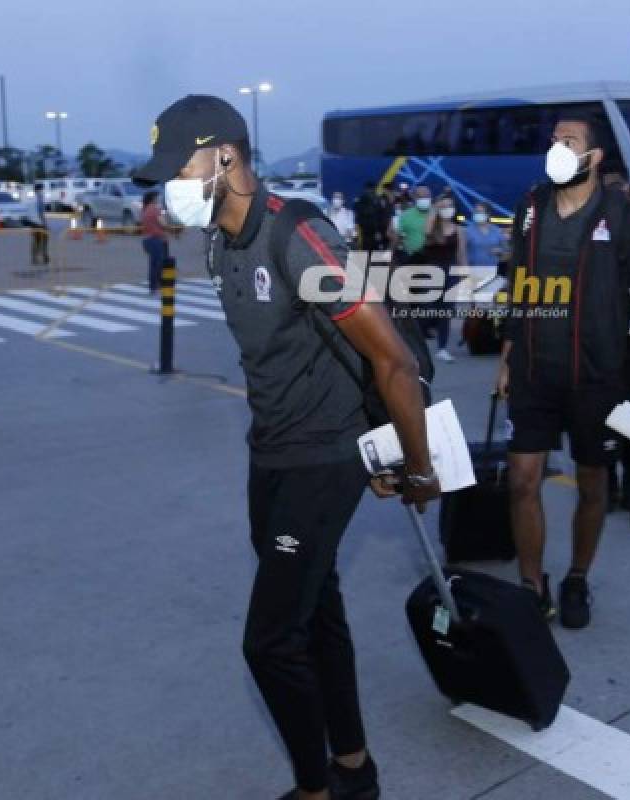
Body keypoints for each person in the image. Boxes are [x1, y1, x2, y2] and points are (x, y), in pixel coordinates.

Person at [133, 95, 439, 800]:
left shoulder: (298, 235)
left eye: (179, 166)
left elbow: (390, 358)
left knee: (268, 642)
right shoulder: (214, 236)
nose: (170, 187)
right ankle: (355, 770)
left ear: (227, 157)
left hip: (325, 456)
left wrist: (415, 465)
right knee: (315, 608)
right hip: (270, 450)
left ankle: (315, 790)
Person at [497, 111, 630, 629]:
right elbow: (519, 286)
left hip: (599, 377)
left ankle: (576, 578)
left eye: (569, 141)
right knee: (522, 481)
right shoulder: (530, 208)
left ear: (594, 156)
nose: (558, 147)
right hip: (534, 371)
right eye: (553, 140)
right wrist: (507, 354)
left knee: (593, 484)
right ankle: (532, 584)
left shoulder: (625, 217)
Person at [417, 196, 463, 362]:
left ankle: (442, 347)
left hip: (451, 273)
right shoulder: (432, 228)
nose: (447, 209)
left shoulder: (458, 230)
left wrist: (464, 274)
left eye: (449, 205)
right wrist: (435, 209)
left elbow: (461, 254)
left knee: (446, 311)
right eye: (444, 206)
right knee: (427, 309)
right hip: (432, 272)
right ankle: (416, 344)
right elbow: (427, 232)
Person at [395, 185, 432, 265]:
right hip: (411, 260)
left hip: (435, 260)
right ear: (414, 198)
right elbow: (397, 238)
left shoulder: (438, 213)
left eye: (426, 196)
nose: (424, 199)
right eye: (420, 196)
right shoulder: (405, 216)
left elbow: (461, 219)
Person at [140, 191, 169, 293]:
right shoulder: (155, 209)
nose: (159, 199)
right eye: (157, 197)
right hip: (156, 240)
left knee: (153, 263)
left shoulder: (145, 209)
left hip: (147, 240)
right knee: (158, 264)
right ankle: (155, 285)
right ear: (153, 199)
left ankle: (153, 285)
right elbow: (163, 224)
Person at [29, 187, 50, 266]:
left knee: (39, 240)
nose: (41, 191)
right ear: (37, 191)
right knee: (41, 239)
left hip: (34, 223)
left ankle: (38, 256)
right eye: (40, 190)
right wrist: (44, 223)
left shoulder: (34, 200)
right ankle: (41, 256)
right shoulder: (38, 200)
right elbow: (40, 213)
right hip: (38, 223)